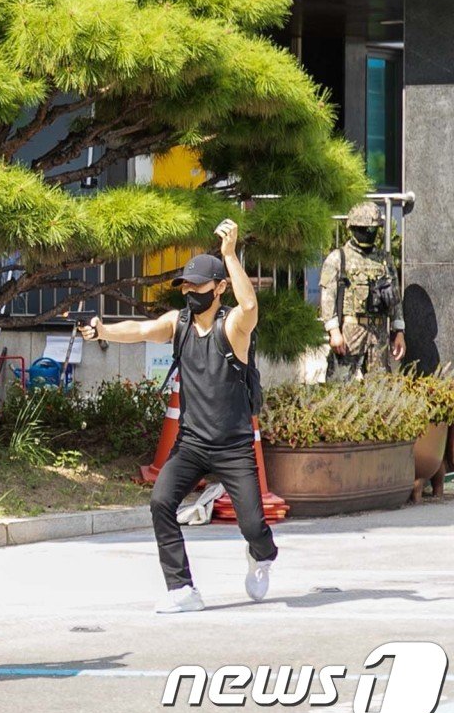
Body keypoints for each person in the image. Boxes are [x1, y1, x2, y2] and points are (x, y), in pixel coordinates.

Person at [79, 220, 278, 613]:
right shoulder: (179, 324)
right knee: (160, 502)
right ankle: (182, 589)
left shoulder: (233, 328)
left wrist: (229, 255)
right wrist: (103, 331)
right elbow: (141, 330)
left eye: (198, 286)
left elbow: (250, 305)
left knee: (253, 526)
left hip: (234, 447)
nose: (189, 292)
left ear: (219, 288)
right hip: (191, 443)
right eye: (185, 286)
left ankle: (263, 554)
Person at [319, 202, 405, 381]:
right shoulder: (338, 258)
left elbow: (395, 299)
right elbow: (328, 297)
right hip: (350, 330)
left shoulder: (384, 260)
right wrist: (334, 331)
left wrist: (399, 331)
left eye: (373, 229)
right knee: (339, 386)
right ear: (354, 228)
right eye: (366, 229)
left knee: (379, 388)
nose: (370, 233)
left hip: (379, 332)